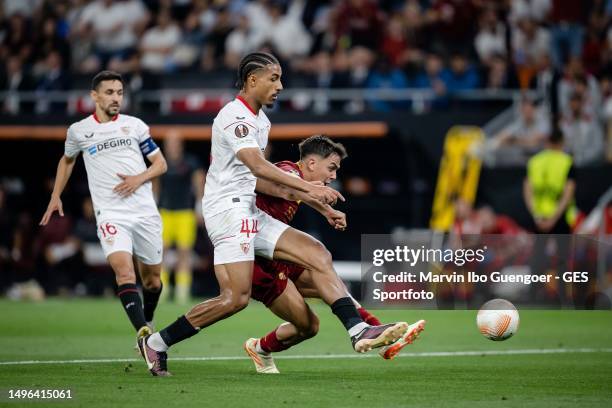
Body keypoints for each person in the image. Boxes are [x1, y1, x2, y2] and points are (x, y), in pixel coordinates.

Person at [138, 52, 407, 376]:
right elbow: (257, 165)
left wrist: (321, 206)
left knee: (317, 254)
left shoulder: (261, 120)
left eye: (280, 79)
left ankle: (358, 330)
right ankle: (157, 343)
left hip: (249, 208)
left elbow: (260, 180)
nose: (280, 86)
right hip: (226, 209)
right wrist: (311, 191)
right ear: (252, 80)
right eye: (274, 78)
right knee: (235, 299)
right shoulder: (234, 116)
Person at [245, 135, 426, 373]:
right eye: (331, 168)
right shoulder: (287, 171)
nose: (333, 176)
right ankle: (258, 347)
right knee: (308, 325)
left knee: (330, 283)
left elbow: (302, 193)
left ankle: (374, 330)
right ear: (311, 163)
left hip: (280, 254)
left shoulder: (300, 181)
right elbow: (288, 188)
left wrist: (327, 211)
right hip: (261, 263)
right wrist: (324, 205)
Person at [40, 70, 167, 342]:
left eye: (120, 93)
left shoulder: (135, 126)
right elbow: (67, 160)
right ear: (94, 96)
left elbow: (160, 164)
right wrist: (55, 195)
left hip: (144, 211)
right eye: (110, 92)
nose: (116, 98)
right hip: (110, 213)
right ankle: (144, 334)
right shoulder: (79, 130)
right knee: (124, 271)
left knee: (152, 281)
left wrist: (138, 178)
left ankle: (150, 317)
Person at [523, 128, 576, 303]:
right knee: (562, 259)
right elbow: (568, 193)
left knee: (537, 257)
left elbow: (528, 190)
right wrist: (554, 218)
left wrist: (536, 215)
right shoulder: (566, 161)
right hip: (559, 217)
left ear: (547, 142)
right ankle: (562, 298)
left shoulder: (535, 162)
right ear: (561, 143)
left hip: (539, 217)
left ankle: (533, 296)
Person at [155, 130, 205, 304]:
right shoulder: (160, 161)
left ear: (180, 144)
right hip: (165, 212)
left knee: (184, 253)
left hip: (185, 213)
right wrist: (153, 206)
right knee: (161, 252)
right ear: (166, 145)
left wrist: (199, 206)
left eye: (175, 142)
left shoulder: (190, 162)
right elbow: (155, 184)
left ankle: (182, 291)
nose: (173, 146)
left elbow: (199, 181)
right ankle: (162, 289)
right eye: (170, 142)